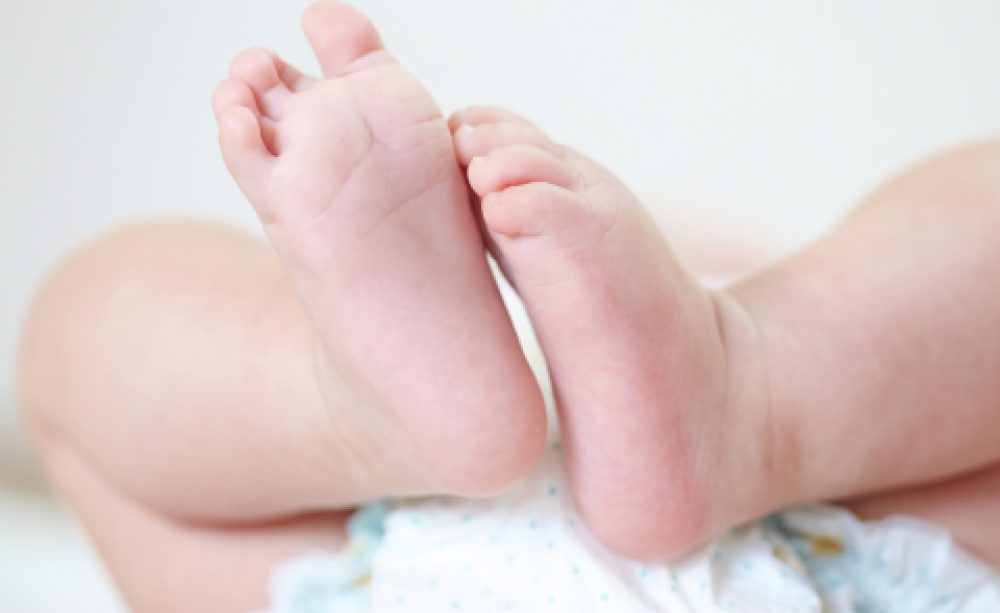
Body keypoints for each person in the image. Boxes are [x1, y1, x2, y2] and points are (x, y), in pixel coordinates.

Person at [19, 1, 1000, 611]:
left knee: (73, 363)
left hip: (409, 568)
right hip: (849, 551)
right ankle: (756, 393)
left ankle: (353, 416)